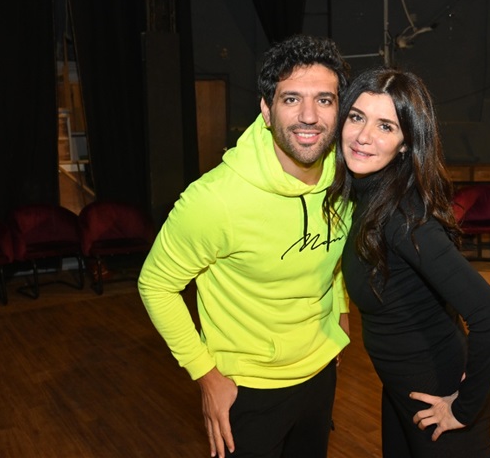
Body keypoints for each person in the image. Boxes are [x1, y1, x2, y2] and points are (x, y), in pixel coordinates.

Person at [138, 35, 351, 458]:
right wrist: (205, 374)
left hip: (321, 373)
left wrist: (340, 312)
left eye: (324, 100)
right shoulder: (215, 200)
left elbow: (332, 255)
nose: (309, 116)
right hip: (248, 389)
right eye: (291, 99)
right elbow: (155, 285)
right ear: (266, 111)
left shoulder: (344, 177)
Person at [324, 67, 490, 457]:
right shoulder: (369, 195)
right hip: (402, 392)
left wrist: (465, 407)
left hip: (438, 403)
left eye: (385, 126)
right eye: (356, 117)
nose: (363, 136)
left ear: (406, 143)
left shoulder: (403, 218)